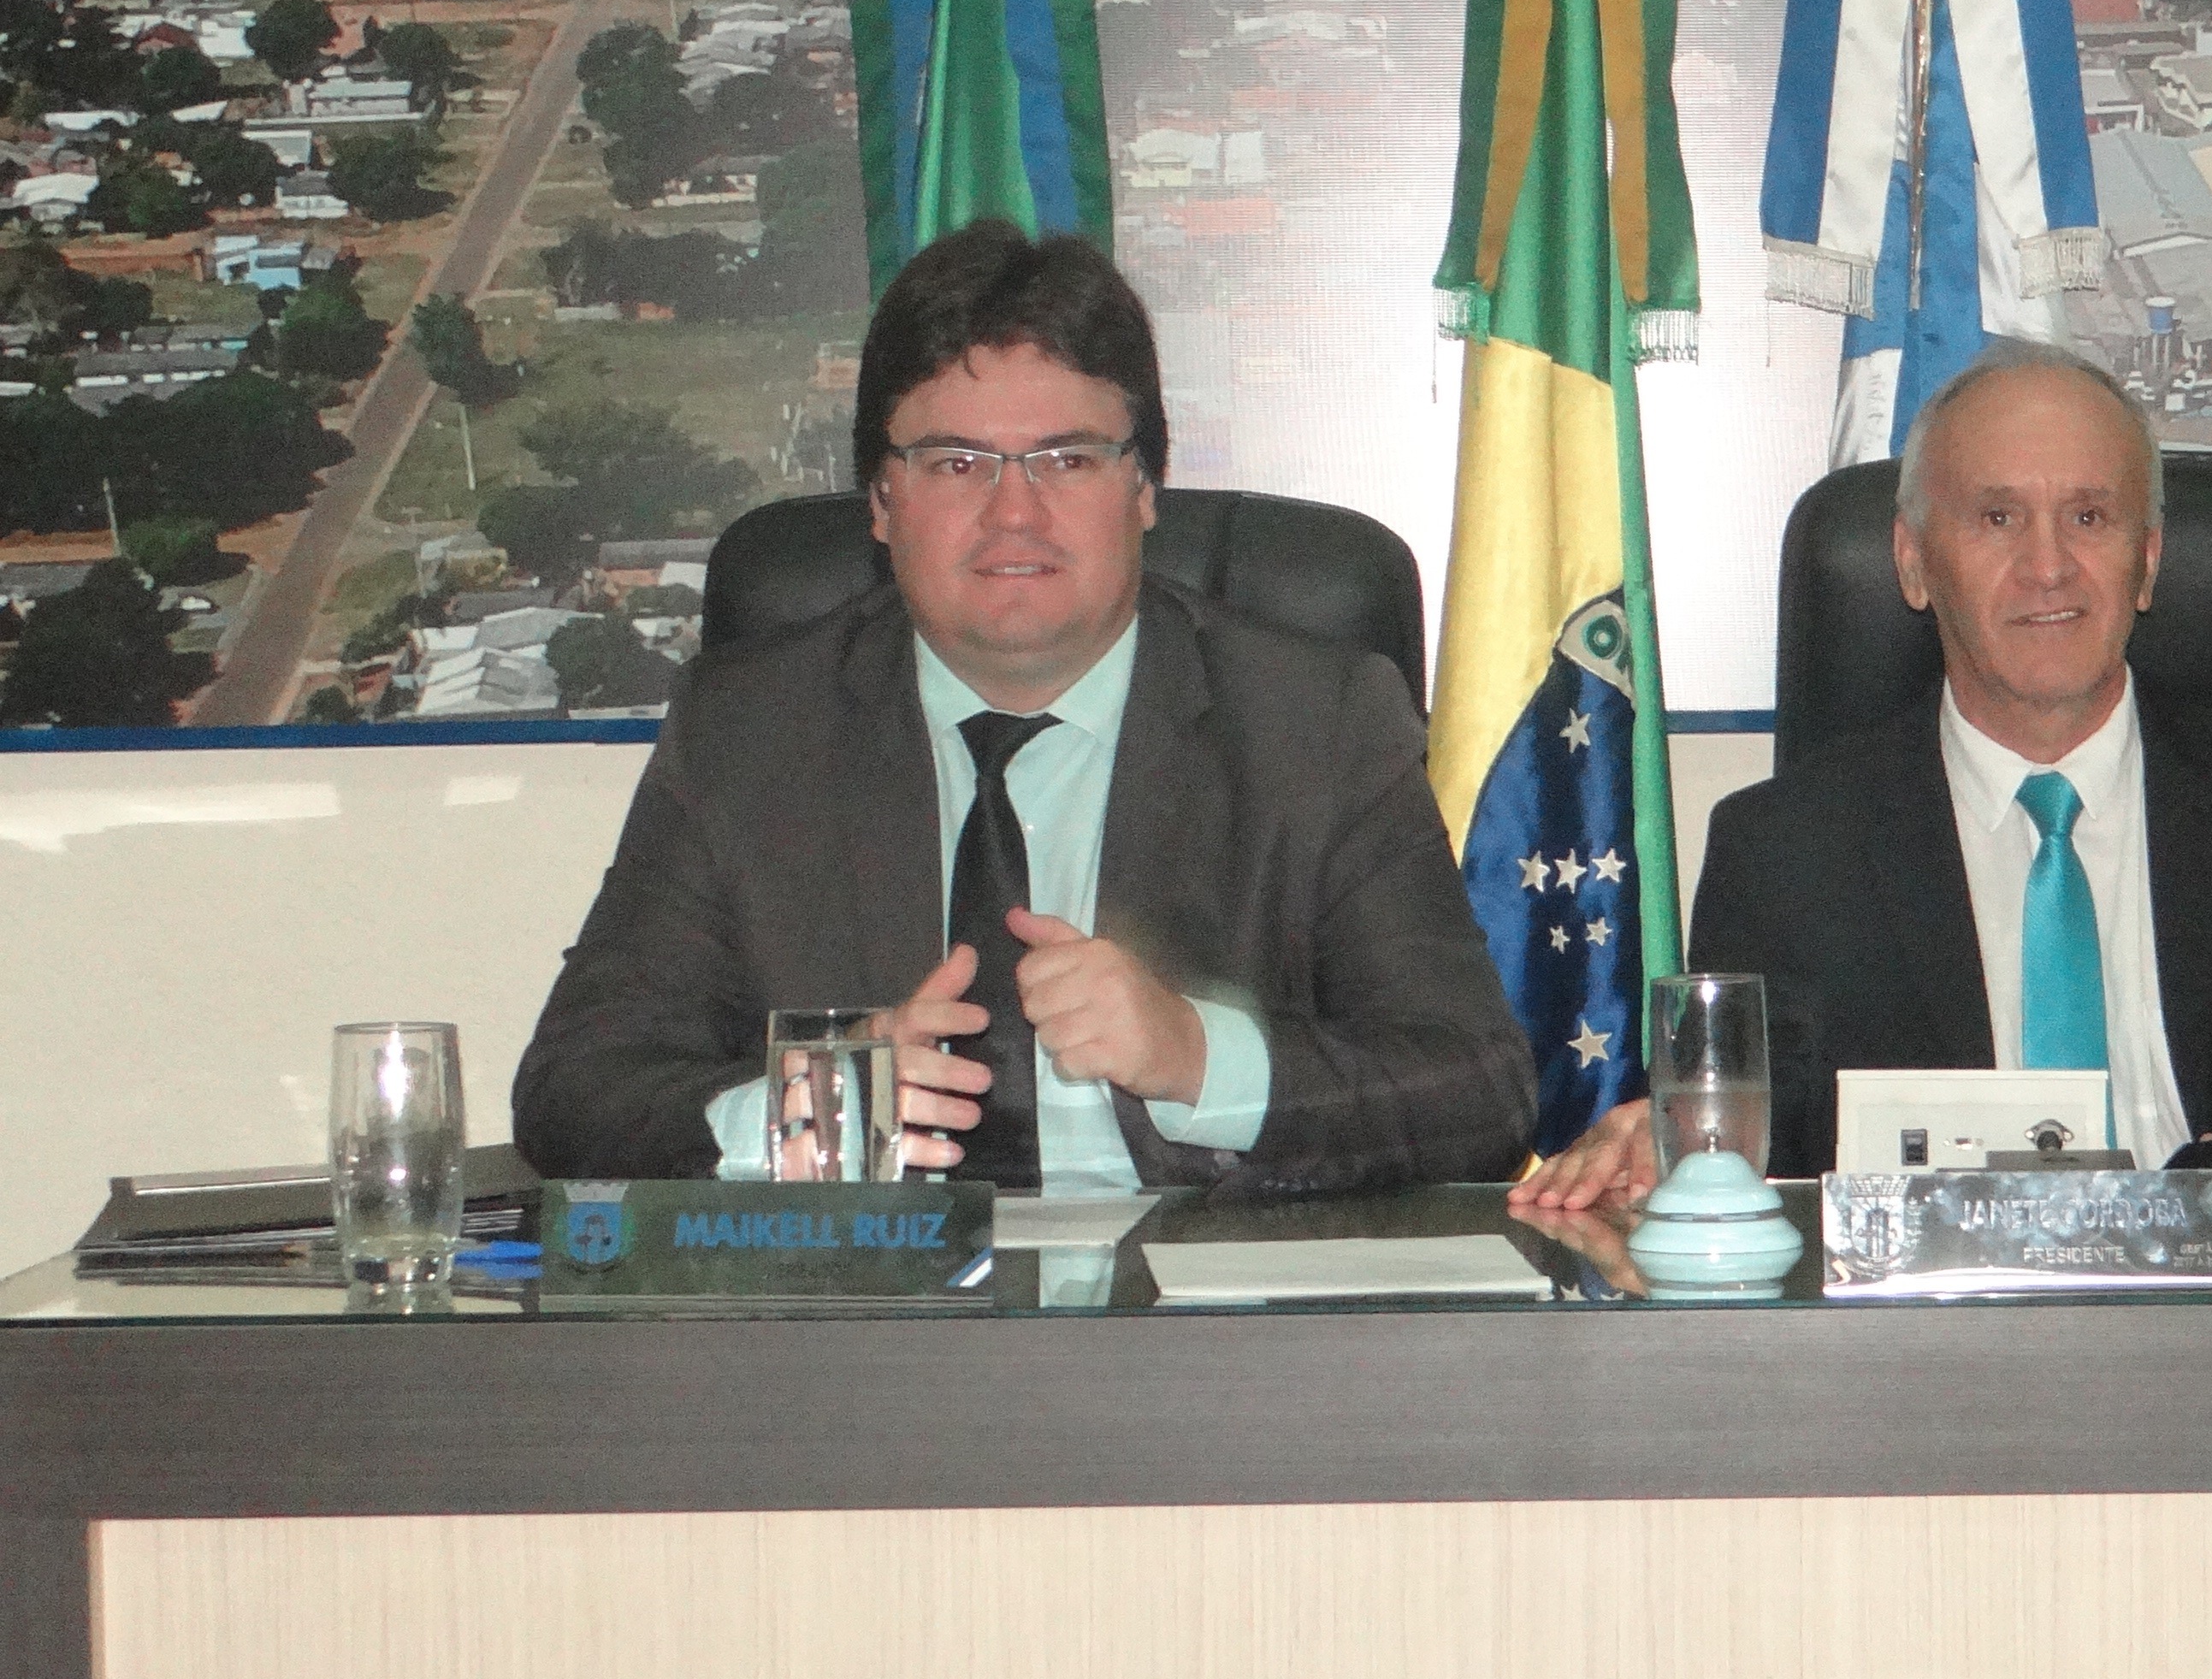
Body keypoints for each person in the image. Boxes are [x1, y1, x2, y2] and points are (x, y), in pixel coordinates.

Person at [513, 221, 1535, 1193]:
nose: (1014, 512)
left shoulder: (1318, 721)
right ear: (879, 502)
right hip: (866, 1319)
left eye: (1067, 459)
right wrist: (824, 1109)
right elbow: (578, 1089)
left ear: (1143, 491)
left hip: (1206, 1326)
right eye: (957, 463)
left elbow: (1479, 1088)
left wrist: (1196, 1057)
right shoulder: (749, 730)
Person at [1513, 344, 2212, 1214]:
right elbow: (1761, 1151)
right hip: (1934, 1367)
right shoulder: (1785, 851)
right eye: (1996, 517)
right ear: (1912, 562)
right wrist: (1686, 1145)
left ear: (2148, 562)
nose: (2049, 568)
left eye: (2089, 516)